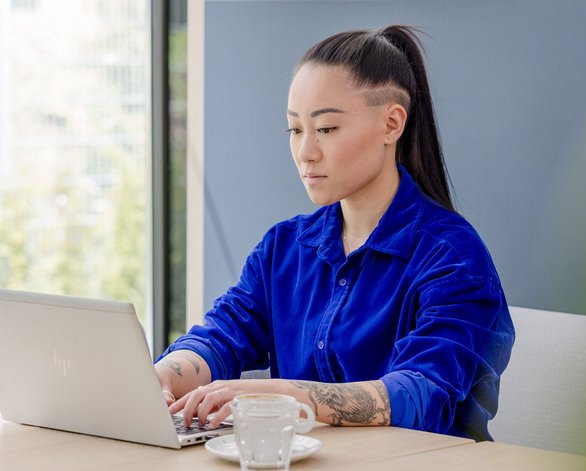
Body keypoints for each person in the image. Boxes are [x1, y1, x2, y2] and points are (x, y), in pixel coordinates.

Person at [155, 25, 514, 442]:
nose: (306, 151)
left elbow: (420, 394)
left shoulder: (453, 257)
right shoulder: (283, 249)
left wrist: (279, 395)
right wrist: (160, 377)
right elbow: (222, 336)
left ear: (391, 124)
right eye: (295, 130)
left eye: (325, 129)